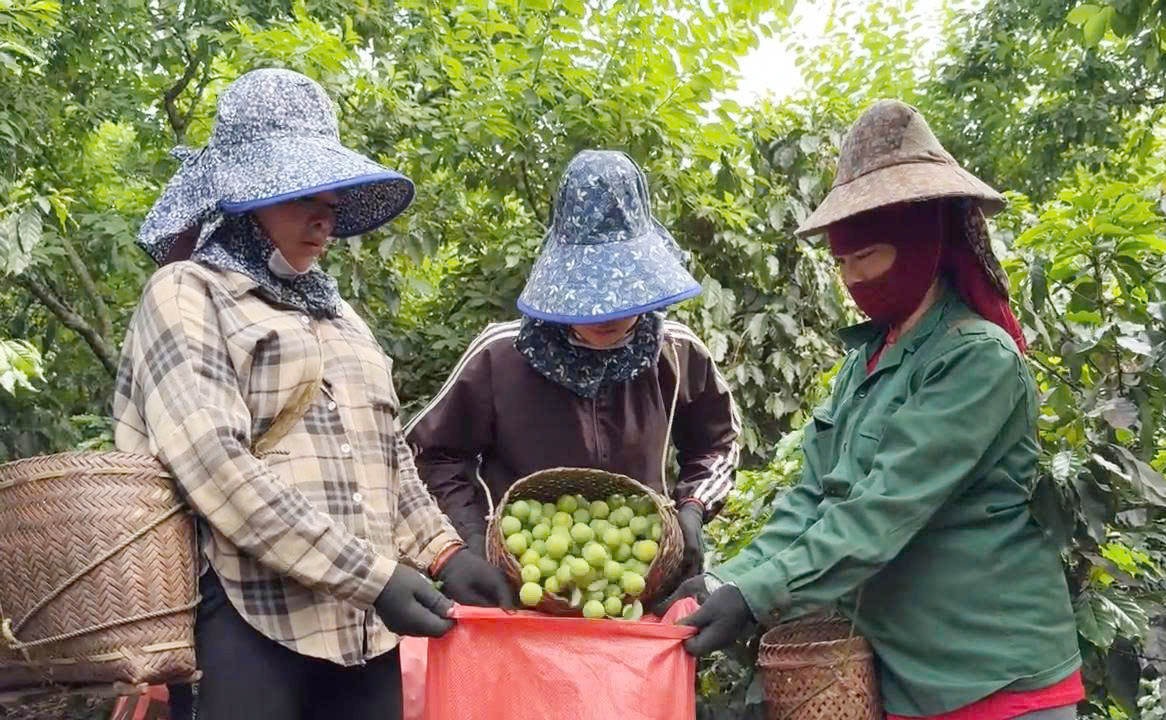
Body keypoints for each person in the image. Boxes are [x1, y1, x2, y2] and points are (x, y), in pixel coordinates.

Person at [660, 100, 1083, 720]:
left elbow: (882, 509)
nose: (855, 279)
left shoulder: (976, 359)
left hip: (996, 679)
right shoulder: (867, 362)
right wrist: (730, 580)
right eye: (843, 264)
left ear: (922, 245)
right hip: (903, 677)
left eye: (870, 257)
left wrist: (756, 596)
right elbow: (813, 497)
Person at [113, 68, 512, 720]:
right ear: (244, 197)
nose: (325, 217)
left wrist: (444, 554)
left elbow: (387, 456)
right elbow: (217, 468)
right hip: (246, 617)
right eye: (303, 194)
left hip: (362, 632)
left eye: (332, 198)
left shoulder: (341, 319)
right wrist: (375, 576)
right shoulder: (187, 295)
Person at [405, 150, 739, 582]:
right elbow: (431, 454)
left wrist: (693, 508)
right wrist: (472, 539)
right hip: (519, 579)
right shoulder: (501, 355)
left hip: (641, 577)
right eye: (589, 295)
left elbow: (718, 442)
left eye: (622, 295)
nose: (605, 313)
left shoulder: (675, 353)